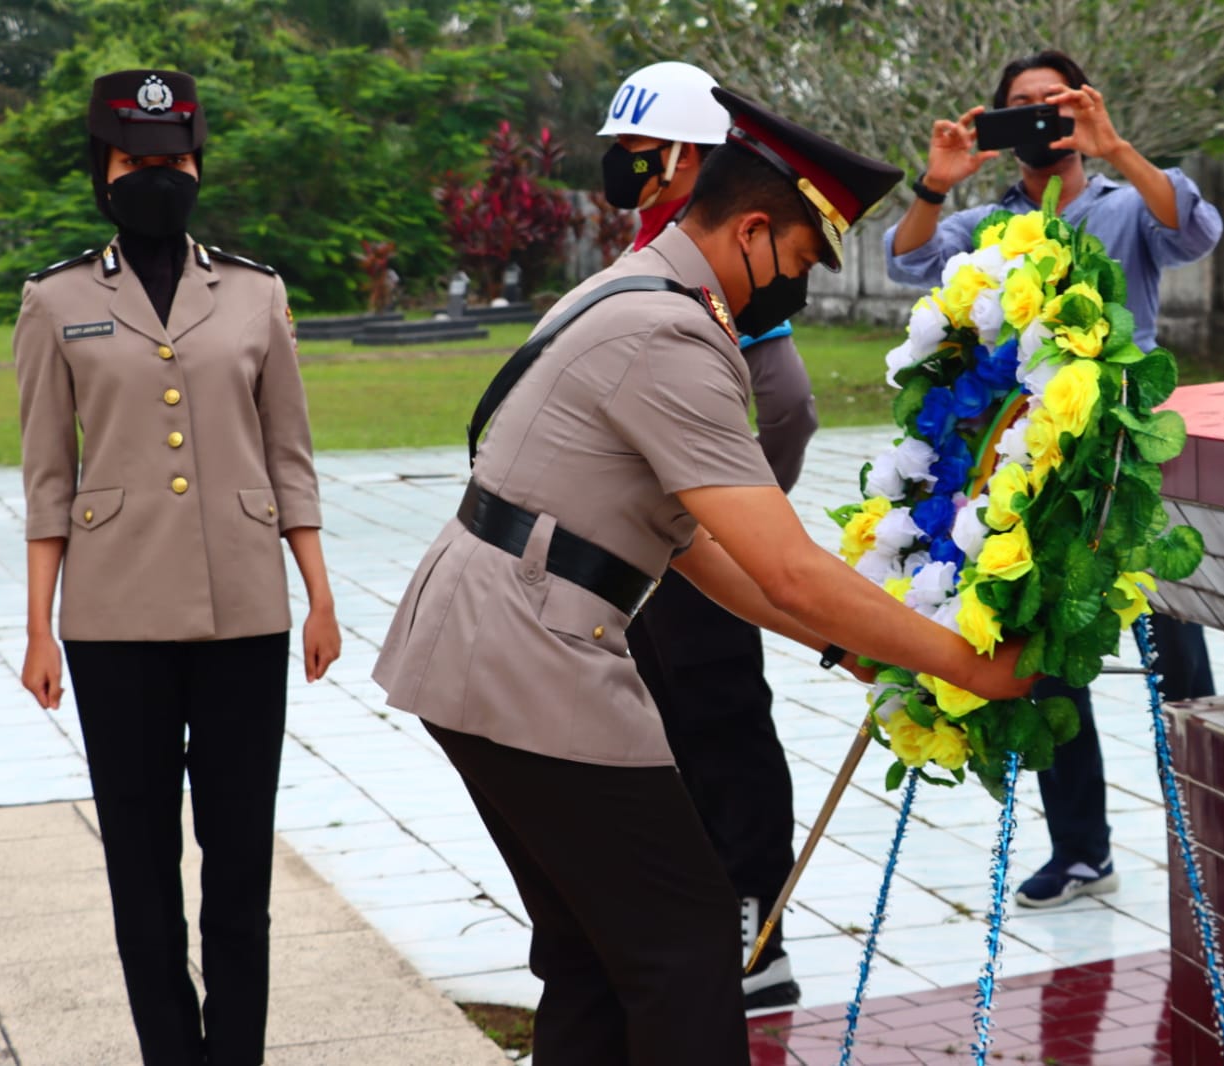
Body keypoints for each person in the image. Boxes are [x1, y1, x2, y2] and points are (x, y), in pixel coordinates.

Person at [373, 87, 1035, 1066]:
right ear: (756, 229)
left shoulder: (633, 288)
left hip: (482, 638)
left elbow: (698, 549)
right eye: (804, 261)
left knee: (594, 956)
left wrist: (847, 644)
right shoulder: (673, 333)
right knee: (685, 948)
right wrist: (968, 665)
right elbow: (788, 568)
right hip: (530, 652)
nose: (801, 287)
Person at [12, 69, 341, 1065]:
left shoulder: (254, 293)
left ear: (198, 165)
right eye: (135, 162)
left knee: (239, 866)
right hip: (113, 624)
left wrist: (320, 593)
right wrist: (38, 627)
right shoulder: (54, 301)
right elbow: (47, 474)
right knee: (143, 870)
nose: (156, 176)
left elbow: (290, 455)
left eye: (172, 160)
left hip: (249, 613)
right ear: (102, 175)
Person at [884, 49, 1221, 908]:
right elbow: (909, 262)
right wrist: (935, 181)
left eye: (1054, 102)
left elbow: (1194, 230)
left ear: (1082, 111)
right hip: (1031, 470)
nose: (1041, 118)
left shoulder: (1122, 203)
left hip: (1124, 464)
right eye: (1020, 107)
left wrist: (1116, 150)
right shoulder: (985, 223)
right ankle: (1080, 851)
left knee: (1174, 650)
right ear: (998, 124)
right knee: (1053, 648)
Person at [598, 60, 818, 1008]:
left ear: (688, 159)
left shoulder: (729, 256)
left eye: (638, 152)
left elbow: (784, 401)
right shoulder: (650, 237)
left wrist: (725, 521)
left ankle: (754, 926)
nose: (623, 168)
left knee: (719, 706)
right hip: (648, 525)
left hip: (703, 513)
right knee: (662, 714)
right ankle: (692, 908)